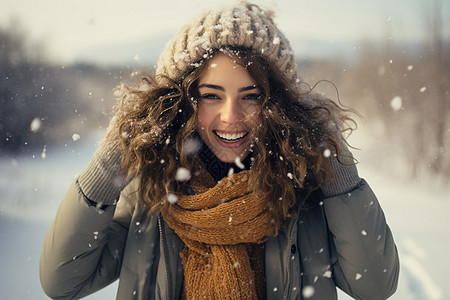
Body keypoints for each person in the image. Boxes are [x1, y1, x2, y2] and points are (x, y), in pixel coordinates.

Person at [39, 1, 399, 299]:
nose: (231, 117)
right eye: (211, 96)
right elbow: (63, 280)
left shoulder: (303, 191)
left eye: (251, 97)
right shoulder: (152, 193)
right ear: (181, 102)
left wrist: (333, 163)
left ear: (277, 104)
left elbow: (375, 286)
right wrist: (114, 154)